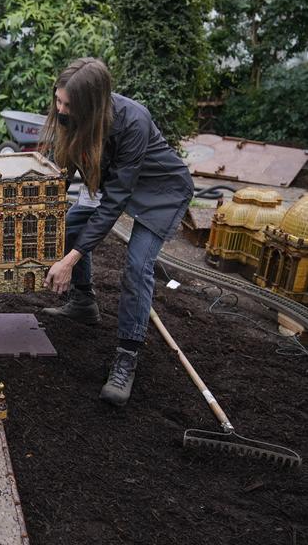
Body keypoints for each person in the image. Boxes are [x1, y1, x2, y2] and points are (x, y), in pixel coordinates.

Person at [40, 58, 194, 406]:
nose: (61, 110)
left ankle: (127, 354)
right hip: (116, 184)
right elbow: (63, 171)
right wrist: (44, 207)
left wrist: (69, 260)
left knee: (137, 267)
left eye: (68, 105)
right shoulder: (74, 116)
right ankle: (83, 301)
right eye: (58, 101)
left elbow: (114, 203)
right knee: (65, 227)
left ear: (92, 104)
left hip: (160, 191)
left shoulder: (133, 122)